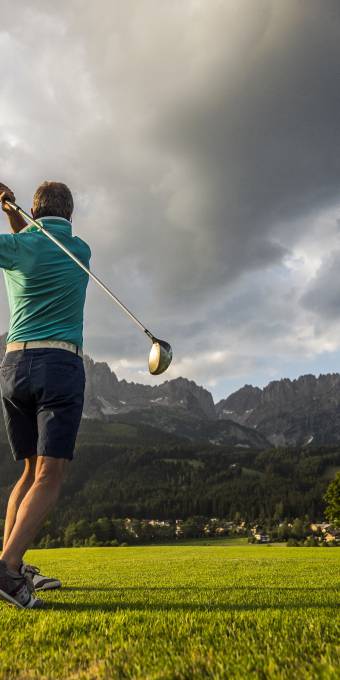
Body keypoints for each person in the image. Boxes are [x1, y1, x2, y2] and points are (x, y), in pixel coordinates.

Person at [0, 181, 91, 608]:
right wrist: (14, 213)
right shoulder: (81, 250)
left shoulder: (19, 248)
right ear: (69, 215)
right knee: (49, 476)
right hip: (59, 364)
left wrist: (7, 210)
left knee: (28, 473)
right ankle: (8, 569)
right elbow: (38, 238)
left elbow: (25, 242)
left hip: (14, 367)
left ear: (33, 212)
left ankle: (9, 566)